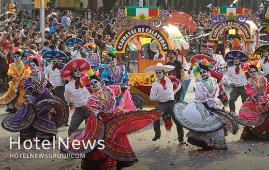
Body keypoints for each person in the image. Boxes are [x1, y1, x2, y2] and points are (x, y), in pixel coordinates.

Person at [62, 75, 163, 170]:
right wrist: (98, 113)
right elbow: (91, 107)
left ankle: (115, 162)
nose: (93, 85)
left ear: (100, 82)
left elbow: (120, 89)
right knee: (100, 142)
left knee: (116, 139)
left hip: (112, 120)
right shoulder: (92, 98)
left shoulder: (109, 89)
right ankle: (105, 164)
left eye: (95, 82)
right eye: (91, 84)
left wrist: (125, 88)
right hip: (98, 122)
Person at [2, 58, 67, 141]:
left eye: (34, 65)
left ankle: (46, 134)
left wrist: (55, 96)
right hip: (33, 98)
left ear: (37, 66)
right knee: (28, 114)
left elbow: (50, 86)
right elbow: (28, 90)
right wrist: (29, 99)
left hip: (45, 98)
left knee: (48, 113)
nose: (32, 67)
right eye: (31, 66)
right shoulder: (29, 78)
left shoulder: (43, 76)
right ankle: (29, 135)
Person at [174, 59, 231, 150]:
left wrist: (212, 103)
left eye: (204, 72)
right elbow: (202, 98)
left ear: (209, 72)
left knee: (215, 123)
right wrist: (208, 106)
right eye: (201, 73)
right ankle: (206, 142)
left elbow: (216, 90)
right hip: (204, 105)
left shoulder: (213, 80)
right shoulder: (199, 84)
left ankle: (215, 143)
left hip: (215, 103)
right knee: (205, 123)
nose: (203, 74)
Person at [145, 63, 184, 143]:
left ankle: (181, 138)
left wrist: (173, 92)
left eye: (160, 72)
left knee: (178, 119)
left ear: (164, 72)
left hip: (172, 103)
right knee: (155, 117)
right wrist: (159, 97)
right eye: (157, 73)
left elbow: (179, 85)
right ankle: (157, 134)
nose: (158, 74)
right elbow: (152, 97)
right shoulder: (155, 84)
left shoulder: (171, 79)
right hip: (161, 104)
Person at [237, 65, 269, 140]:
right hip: (255, 101)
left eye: (254, 71)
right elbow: (251, 94)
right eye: (251, 72)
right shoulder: (249, 83)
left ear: (257, 71)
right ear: (249, 73)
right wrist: (257, 103)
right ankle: (255, 133)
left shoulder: (263, 79)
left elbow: (268, 89)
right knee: (254, 116)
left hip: (265, 99)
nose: (253, 73)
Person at [62, 58, 92, 135]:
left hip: (91, 108)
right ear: (71, 73)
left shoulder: (87, 80)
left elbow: (95, 91)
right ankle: (71, 144)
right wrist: (75, 100)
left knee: (94, 128)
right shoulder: (68, 86)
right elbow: (67, 99)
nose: (78, 72)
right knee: (72, 129)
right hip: (79, 110)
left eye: (79, 70)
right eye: (75, 71)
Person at [0, 49, 31, 113]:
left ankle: (19, 106)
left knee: (23, 90)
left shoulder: (25, 65)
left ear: (21, 57)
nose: (17, 58)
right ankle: (11, 106)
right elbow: (11, 74)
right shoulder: (12, 65)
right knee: (12, 89)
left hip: (22, 83)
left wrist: (23, 78)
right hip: (14, 82)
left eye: (18, 56)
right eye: (15, 56)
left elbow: (28, 74)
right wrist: (16, 79)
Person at [44, 50, 69, 126]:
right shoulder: (48, 67)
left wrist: (66, 79)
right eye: (53, 58)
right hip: (52, 88)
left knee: (64, 104)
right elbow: (45, 76)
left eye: (56, 58)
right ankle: (55, 120)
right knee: (53, 105)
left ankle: (65, 121)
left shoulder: (63, 66)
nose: (54, 59)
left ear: (59, 59)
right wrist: (47, 83)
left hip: (61, 87)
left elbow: (68, 75)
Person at [225, 50, 249, 115]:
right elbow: (227, 78)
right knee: (231, 100)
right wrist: (230, 83)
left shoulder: (245, 67)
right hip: (235, 87)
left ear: (240, 59)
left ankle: (245, 114)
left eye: (237, 58)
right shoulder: (231, 69)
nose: (235, 60)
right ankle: (232, 111)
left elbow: (249, 76)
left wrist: (249, 83)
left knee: (245, 101)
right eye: (234, 59)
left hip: (244, 87)